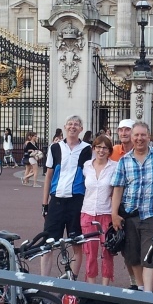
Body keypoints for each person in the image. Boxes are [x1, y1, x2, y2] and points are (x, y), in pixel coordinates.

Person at [111, 121, 153, 292]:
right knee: (132, 256)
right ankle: (141, 288)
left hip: (152, 215)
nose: (139, 138)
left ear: (149, 136)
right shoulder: (124, 161)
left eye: (143, 135)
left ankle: (148, 295)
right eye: (136, 135)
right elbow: (118, 188)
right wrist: (114, 213)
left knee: (150, 255)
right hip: (130, 215)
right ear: (132, 137)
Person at [41, 115, 92, 276]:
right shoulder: (55, 148)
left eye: (76, 124)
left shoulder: (88, 149)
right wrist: (44, 203)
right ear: (65, 126)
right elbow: (49, 176)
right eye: (70, 124)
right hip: (56, 201)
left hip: (77, 201)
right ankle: (43, 282)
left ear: (81, 129)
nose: (73, 127)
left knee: (76, 243)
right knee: (48, 244)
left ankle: (72, 282)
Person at [80, 134, 116, 285]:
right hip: (88, 212)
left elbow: (116, 192)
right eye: (98, 147)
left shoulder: (114, 166)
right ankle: (91, 286)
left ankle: (105, 288)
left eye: (105, 148)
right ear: (94, 148)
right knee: (90, 252)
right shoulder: (87, 166)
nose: (101, 150)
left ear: (109, 150)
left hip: (106, 213)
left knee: (107, 252)